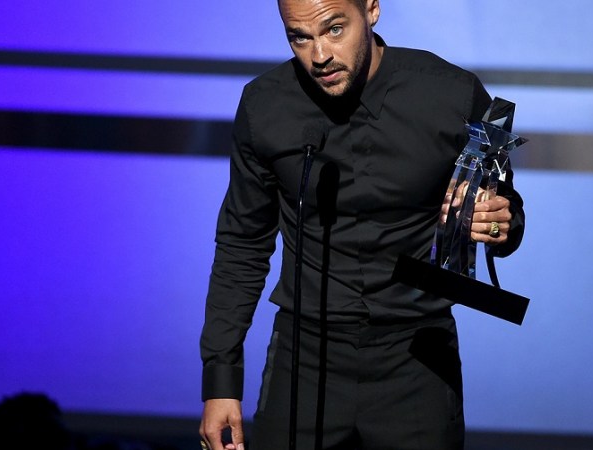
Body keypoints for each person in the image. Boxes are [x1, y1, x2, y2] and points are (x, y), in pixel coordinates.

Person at [198, 1, 525, 449]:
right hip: (305, 354)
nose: (319, 55)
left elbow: (504, 207)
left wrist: (499, 224)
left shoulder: (451, 94)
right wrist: (220, 380)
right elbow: (242, 243)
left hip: (418, 355)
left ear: (371, 9)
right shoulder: (266, 105)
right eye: (299, 37)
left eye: (334, 29)